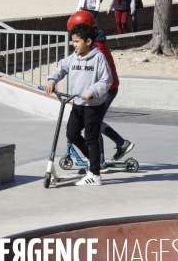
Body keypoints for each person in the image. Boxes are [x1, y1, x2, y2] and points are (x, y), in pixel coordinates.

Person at [45, 23, 112, 186]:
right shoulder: (74, 56)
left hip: (94, 106)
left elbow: (106, 80)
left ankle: (95, 175)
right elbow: (61, 68)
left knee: (91, 138)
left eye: (77, 41)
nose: (74, 45)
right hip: (77, 104)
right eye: (73, 41)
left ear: (88, 41)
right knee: (72, 133)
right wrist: (52, 80)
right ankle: (92, 160)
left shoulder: (98, 58)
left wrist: (92, 91)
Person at [67, 12, 135, 171]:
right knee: (92, 122)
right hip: (104, 89)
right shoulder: (96, 40)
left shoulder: (96, 48)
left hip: (105, 90)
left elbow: (99, 76)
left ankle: (101, 160)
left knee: (92, 123)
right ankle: (120, 143)